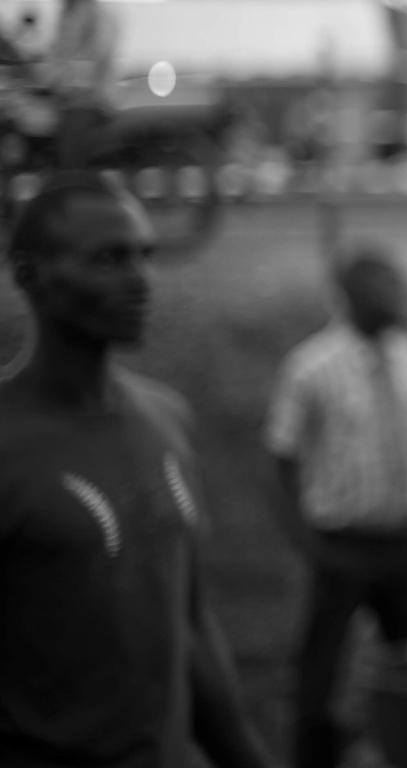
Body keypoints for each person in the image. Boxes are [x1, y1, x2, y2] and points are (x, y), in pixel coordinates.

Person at [0, 173, 270, 768]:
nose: (141, 279)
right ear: (28, 274)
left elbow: (189, 622)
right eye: (109, 259)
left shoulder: (165, 417)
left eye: (145, 255)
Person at [266, 245, 407, 768]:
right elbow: (280, 459)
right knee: (321, 671)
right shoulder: (310, 366)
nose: (396, 298)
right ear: (349, 296)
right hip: (343, 545)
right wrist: (310, 545)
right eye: (382, 289)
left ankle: (401, 751)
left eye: (397, 285)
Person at [46, 0, 120, 169]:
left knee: (70, 147)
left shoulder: (96, 15)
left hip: (90, 101)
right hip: (71, 99)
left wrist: (58, 79)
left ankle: (73, 183)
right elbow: (58, 54)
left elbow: (95, 57)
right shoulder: (68, 14)